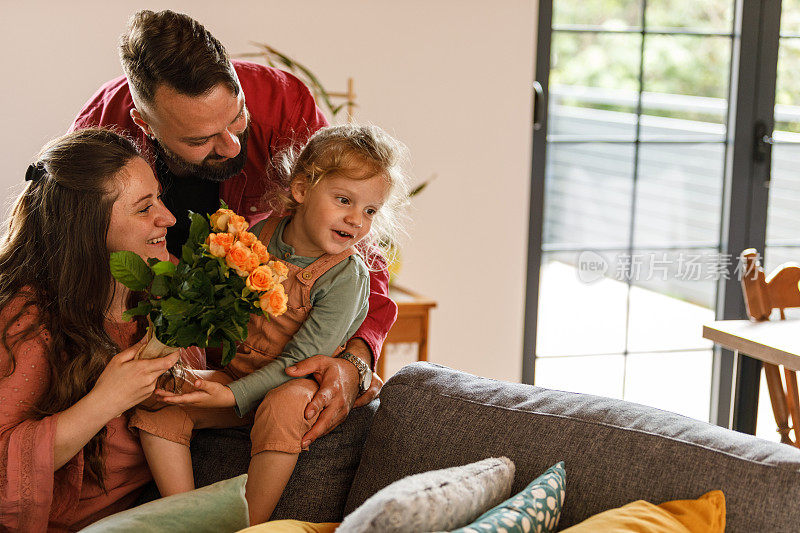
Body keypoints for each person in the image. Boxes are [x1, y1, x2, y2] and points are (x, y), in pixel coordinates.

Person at [70, 9, 395, 445]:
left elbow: (353, 242)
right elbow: (76, 258)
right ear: (145, 123)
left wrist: (356, 361)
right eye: (199, 139)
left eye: (237, 117)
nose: (231, 144)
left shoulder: (283, 103)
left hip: (272, 358)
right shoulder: (99, 131)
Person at [128, 124, 410, 524]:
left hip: (298, 384)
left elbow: (300, 361)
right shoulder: (261, 234)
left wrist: (229, 396)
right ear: (300, 189)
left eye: (369, 211)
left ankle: (248, 525)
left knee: (285, 403)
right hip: (243, 374)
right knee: (163, 395)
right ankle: (186, 517)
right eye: (344, 199)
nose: (356, 220)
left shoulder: (347, 277)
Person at [0, 128, 204, 531]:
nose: (169, 217)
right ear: (89, 231)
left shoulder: (168, 284)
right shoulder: (29, 320)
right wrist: (107, 399)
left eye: (158, 198)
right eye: (144, 208)